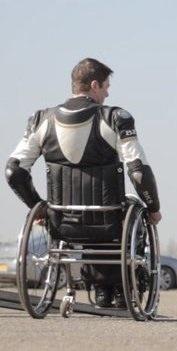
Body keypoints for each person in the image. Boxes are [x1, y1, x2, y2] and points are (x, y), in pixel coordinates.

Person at [5, 58, 161, 308]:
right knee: (131, 210)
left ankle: (99, 289)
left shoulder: (41, 120)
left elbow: (13, 171)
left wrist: (38, 206)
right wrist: (153, 208)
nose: (108, 93)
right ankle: (123, 289)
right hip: (109, 219)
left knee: (86, 221)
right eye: (107, 87)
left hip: (61, 219)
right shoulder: (115, 118)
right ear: (95, 85)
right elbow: (139, 172)